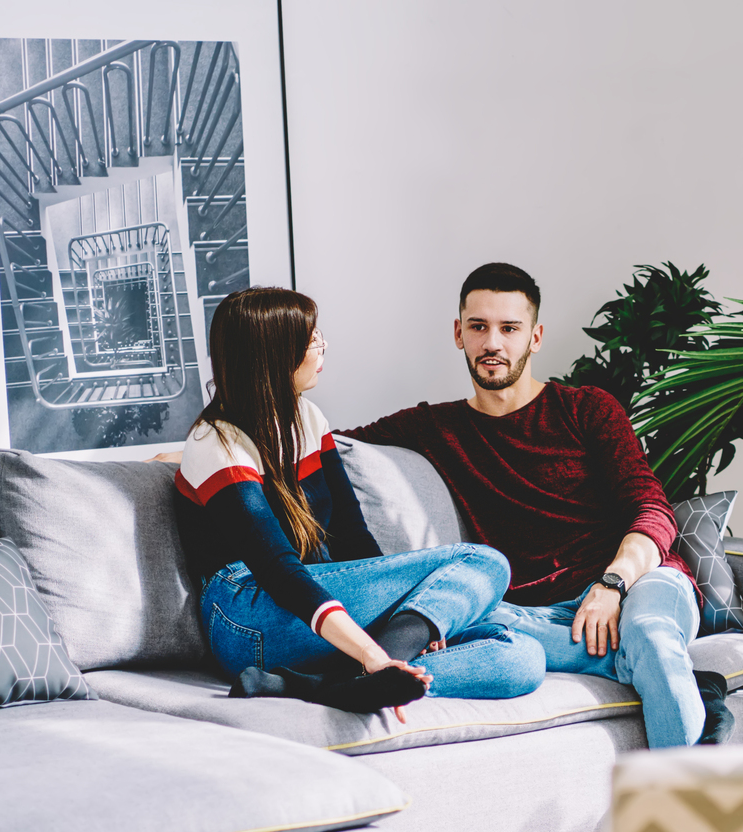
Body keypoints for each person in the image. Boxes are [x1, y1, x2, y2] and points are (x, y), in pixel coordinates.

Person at [339, 262, 729, 747]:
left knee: (648, 633)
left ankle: (673, 809)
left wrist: (613, 583)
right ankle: (685, 686)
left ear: (535, 337)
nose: (493, 343)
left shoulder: (587, 409)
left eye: (510, 328)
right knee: (476, 633)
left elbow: (651, 508)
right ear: (458, 333)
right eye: (479, 327)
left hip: (638, 584)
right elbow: (327, 447)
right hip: (533, 616)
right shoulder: (434, 427)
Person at [162, 286, 545, 715]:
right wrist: (375, 650)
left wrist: (420, 616)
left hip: (312, 612)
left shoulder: (307, 417)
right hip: (246, 617)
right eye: (310, 340)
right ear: (273, 355)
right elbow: (278, 570)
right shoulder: (215, 443)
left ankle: (325, 685)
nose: (322, 345)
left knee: (520, 658)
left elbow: (352, 536)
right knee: (486, 562)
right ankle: (373, 670)